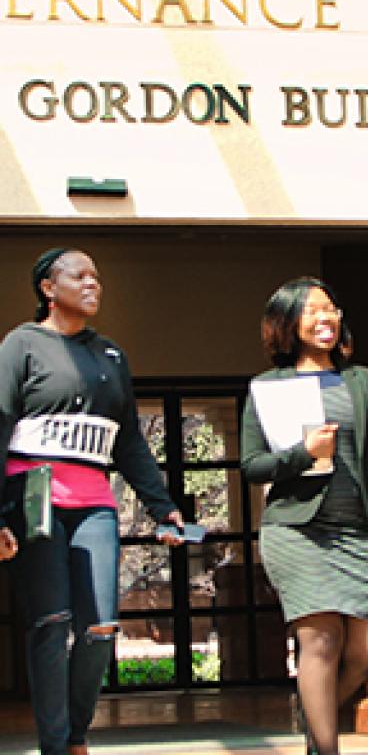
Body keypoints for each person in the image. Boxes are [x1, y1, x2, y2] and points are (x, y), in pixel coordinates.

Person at [0, 247, 186, 755]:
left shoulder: (111, 356)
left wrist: (160, 505)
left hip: (95, 502)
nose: (92, 285)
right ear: (47, 287)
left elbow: (128, 442)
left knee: (101, 627)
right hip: (34, 500)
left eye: (97, 277)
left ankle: (77, 732)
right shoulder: (21, 346)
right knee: (52, 623)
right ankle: (58, 745)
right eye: (79, 276)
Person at [241, 277, 368, 755]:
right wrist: (303, 454)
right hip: (296, 530)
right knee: (319, 642)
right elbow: (252, 464)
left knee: (364, 651)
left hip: (356, 531)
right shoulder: (266, 387)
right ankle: (325, 748)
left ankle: (314, 708)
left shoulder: (363, 381)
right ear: (288, 324)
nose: (325, 319)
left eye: (331, 309)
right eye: (312, 312)